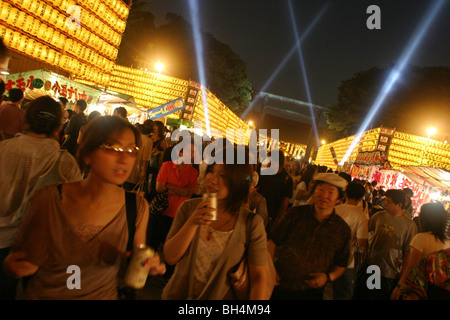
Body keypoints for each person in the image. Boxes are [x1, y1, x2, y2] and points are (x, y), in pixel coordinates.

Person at [3, 116, 165, 299]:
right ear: (88, 153)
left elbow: (139, 254)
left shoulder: (136, 207)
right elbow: (19, 257)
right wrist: (15, 266)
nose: (124, 159)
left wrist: (150, 264)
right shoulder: (49, 198)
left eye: (131, 150)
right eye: (113, 147)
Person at [0, 95, 82, 299]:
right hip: (39, 246)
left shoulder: (3, 149)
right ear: (58, 127)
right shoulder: (65, 162)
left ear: (25, 120)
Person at [161, 146, 269, 299]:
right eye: (211, 171)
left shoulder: (251, 223)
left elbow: (259, 277)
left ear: (237, 182)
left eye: (223, 176)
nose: (212, 179)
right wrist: (192, 222)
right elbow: (170, 257)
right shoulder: (189, 208)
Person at [268, 173, 351, 300]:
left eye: (330, 192)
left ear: (339, 199)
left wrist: (328, 277)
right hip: (281, 284)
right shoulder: (295, 214)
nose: (324, 195)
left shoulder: (342, 229)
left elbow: (341, 263)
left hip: (312, 292)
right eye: (321, 189)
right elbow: (273, 242)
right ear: (313, 192)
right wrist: (270, 269)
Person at [353, 189, 417, 300]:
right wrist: (365, 250)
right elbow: (364, 231)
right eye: (385, 201)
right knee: (363, 295)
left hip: (390, 272)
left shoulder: (409, 226)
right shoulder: (379, 216)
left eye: (389, 202)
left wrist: (402, 277)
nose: (385, 204)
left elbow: (408, 253)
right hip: (372, 265)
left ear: (399, 205)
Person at [391, 202, 450, 300]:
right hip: (436, 291)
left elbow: (412, 267)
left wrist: (399, 287)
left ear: (425, 219)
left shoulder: (421, 238)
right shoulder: (447, 242)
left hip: (418, 291)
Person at [333, 181, 369, 300]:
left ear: (345, 194)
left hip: (329, 256)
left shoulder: (335, 210)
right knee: (343, 294)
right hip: (347, 262)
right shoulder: (361, 217)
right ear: (360, 198)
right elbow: (361, 242)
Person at [257, 150, 293, 232]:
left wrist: (279, 218)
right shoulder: (264, 172)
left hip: (271, 215)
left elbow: (285, 201)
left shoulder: (287, 179)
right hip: (257, 211)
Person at [123, 119, 154, 192]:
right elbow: (145, 159)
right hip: (136, 173)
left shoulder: (135, 136)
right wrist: (143, 174)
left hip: (127, 170)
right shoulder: (148, 141)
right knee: (131, 197)